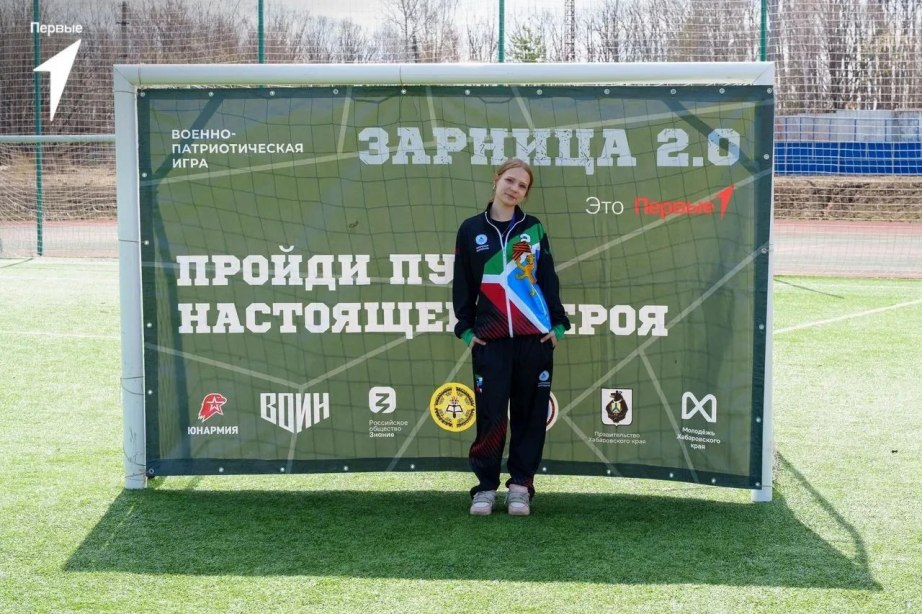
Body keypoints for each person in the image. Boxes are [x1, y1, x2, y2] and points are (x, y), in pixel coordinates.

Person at [452, 158, 570, 516]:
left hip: (534, 339)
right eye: (510, 180)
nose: (514, 188)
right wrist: (466, 329)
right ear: (496, 180)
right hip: (491, 340)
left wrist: (558, 325)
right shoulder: (471, 229)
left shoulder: (532, 229)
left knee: (530, 415)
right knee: (490, 415)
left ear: (525, 193)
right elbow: (463, 284)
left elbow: (547, 279)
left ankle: (521, 486)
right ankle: (485, 488)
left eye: (522, 185)